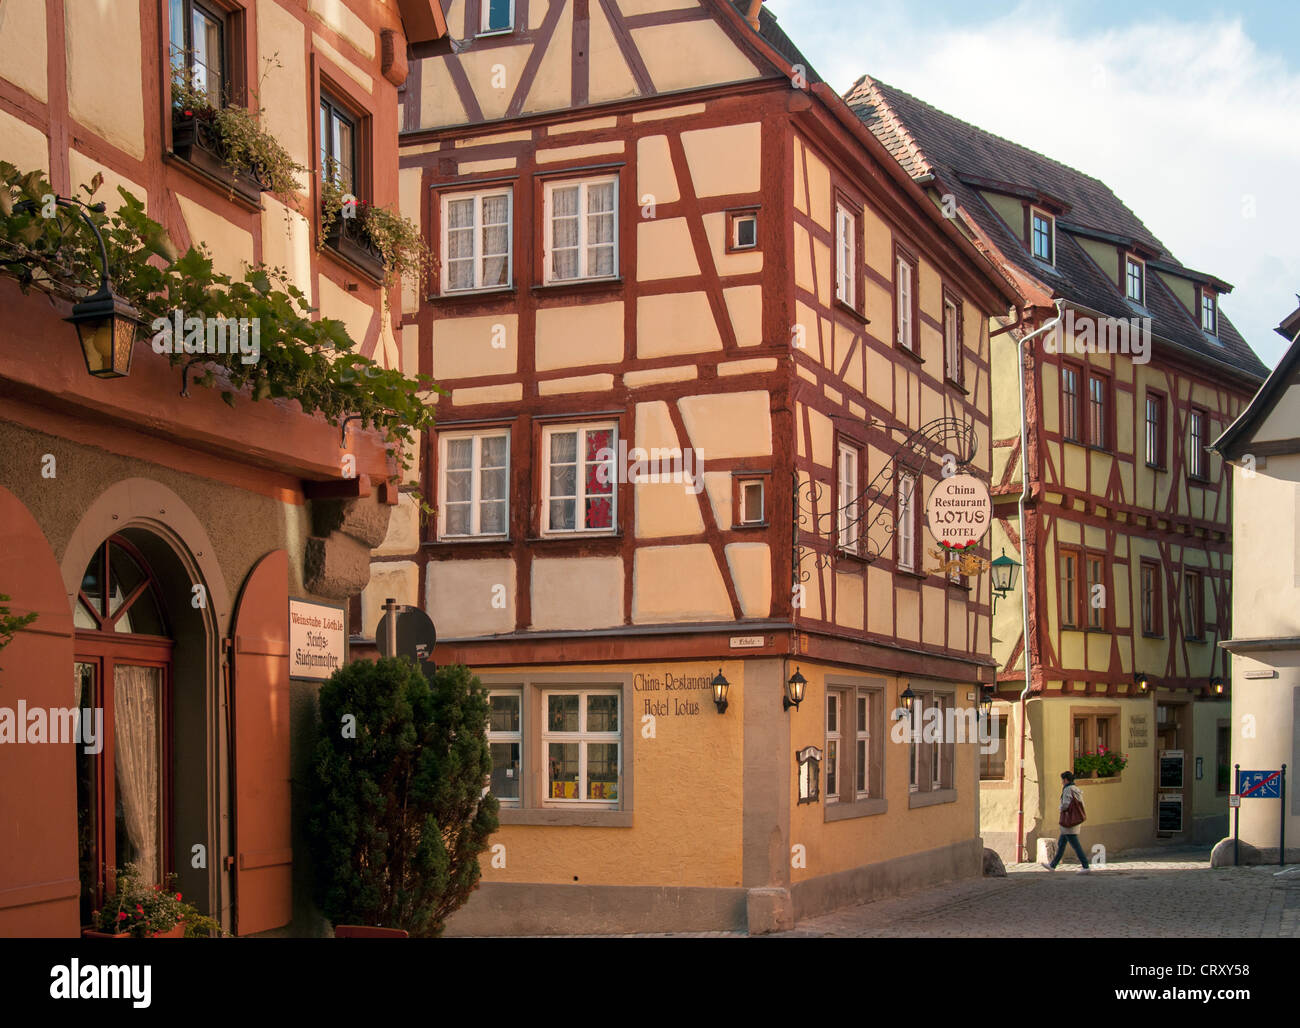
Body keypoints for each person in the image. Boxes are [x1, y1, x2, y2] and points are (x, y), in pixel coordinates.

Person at [1041, 771, 1091, 873]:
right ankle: (1053, 865)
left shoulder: (1068, 789)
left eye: (1062, 780)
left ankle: (1085, 866)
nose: (1062, 782)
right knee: (1061, 843)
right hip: (1074, 821)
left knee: (1075, 845)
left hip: (1069, 822)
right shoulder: (1076, 789)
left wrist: (1060, 808)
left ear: (1065, 780)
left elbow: (1066, 804)